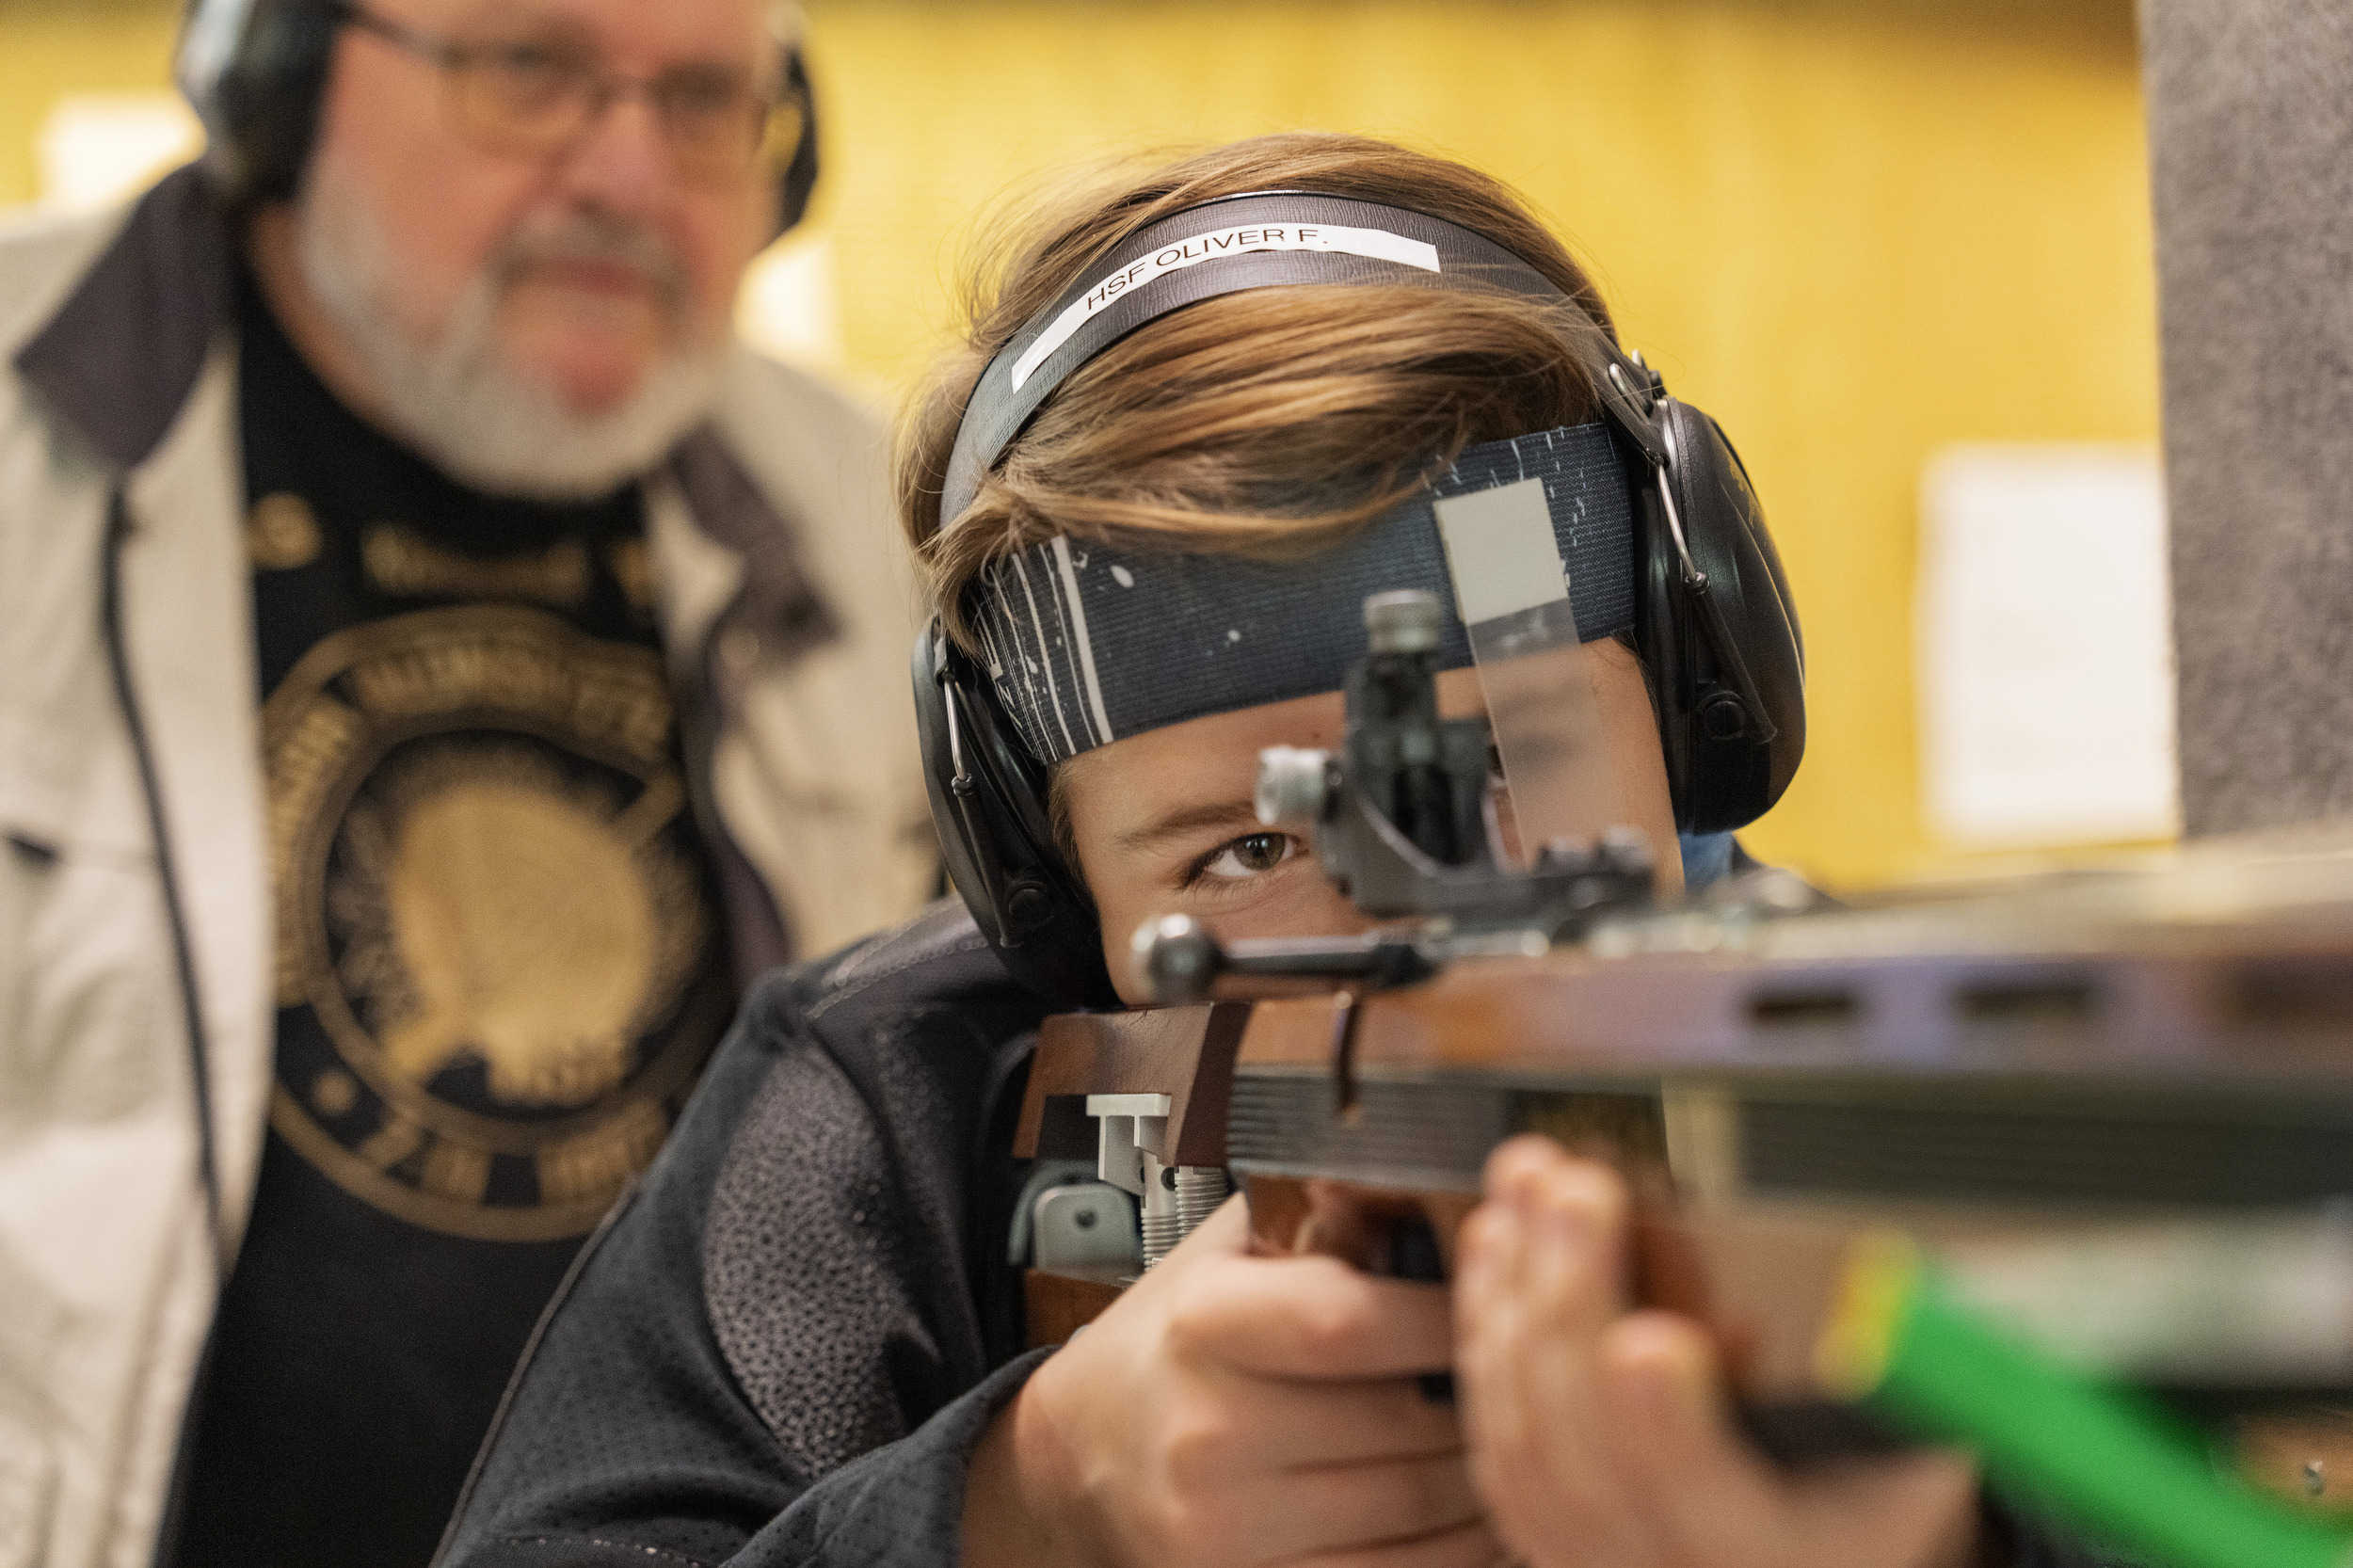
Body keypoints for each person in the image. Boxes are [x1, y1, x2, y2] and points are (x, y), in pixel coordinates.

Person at [436, 133, 2105, 1567]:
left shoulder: (1899, 1082)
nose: (1424, 930)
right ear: (1047, 887)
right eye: (1247, 846)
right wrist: (1033, 1500)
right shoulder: (896, 1102)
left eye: (1508, 762)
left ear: (1694, 707)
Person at [0, 0, 936, 1561]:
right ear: (277, 76)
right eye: (531, 71)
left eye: (705, 99)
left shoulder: (884, 524)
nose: (631, 178)